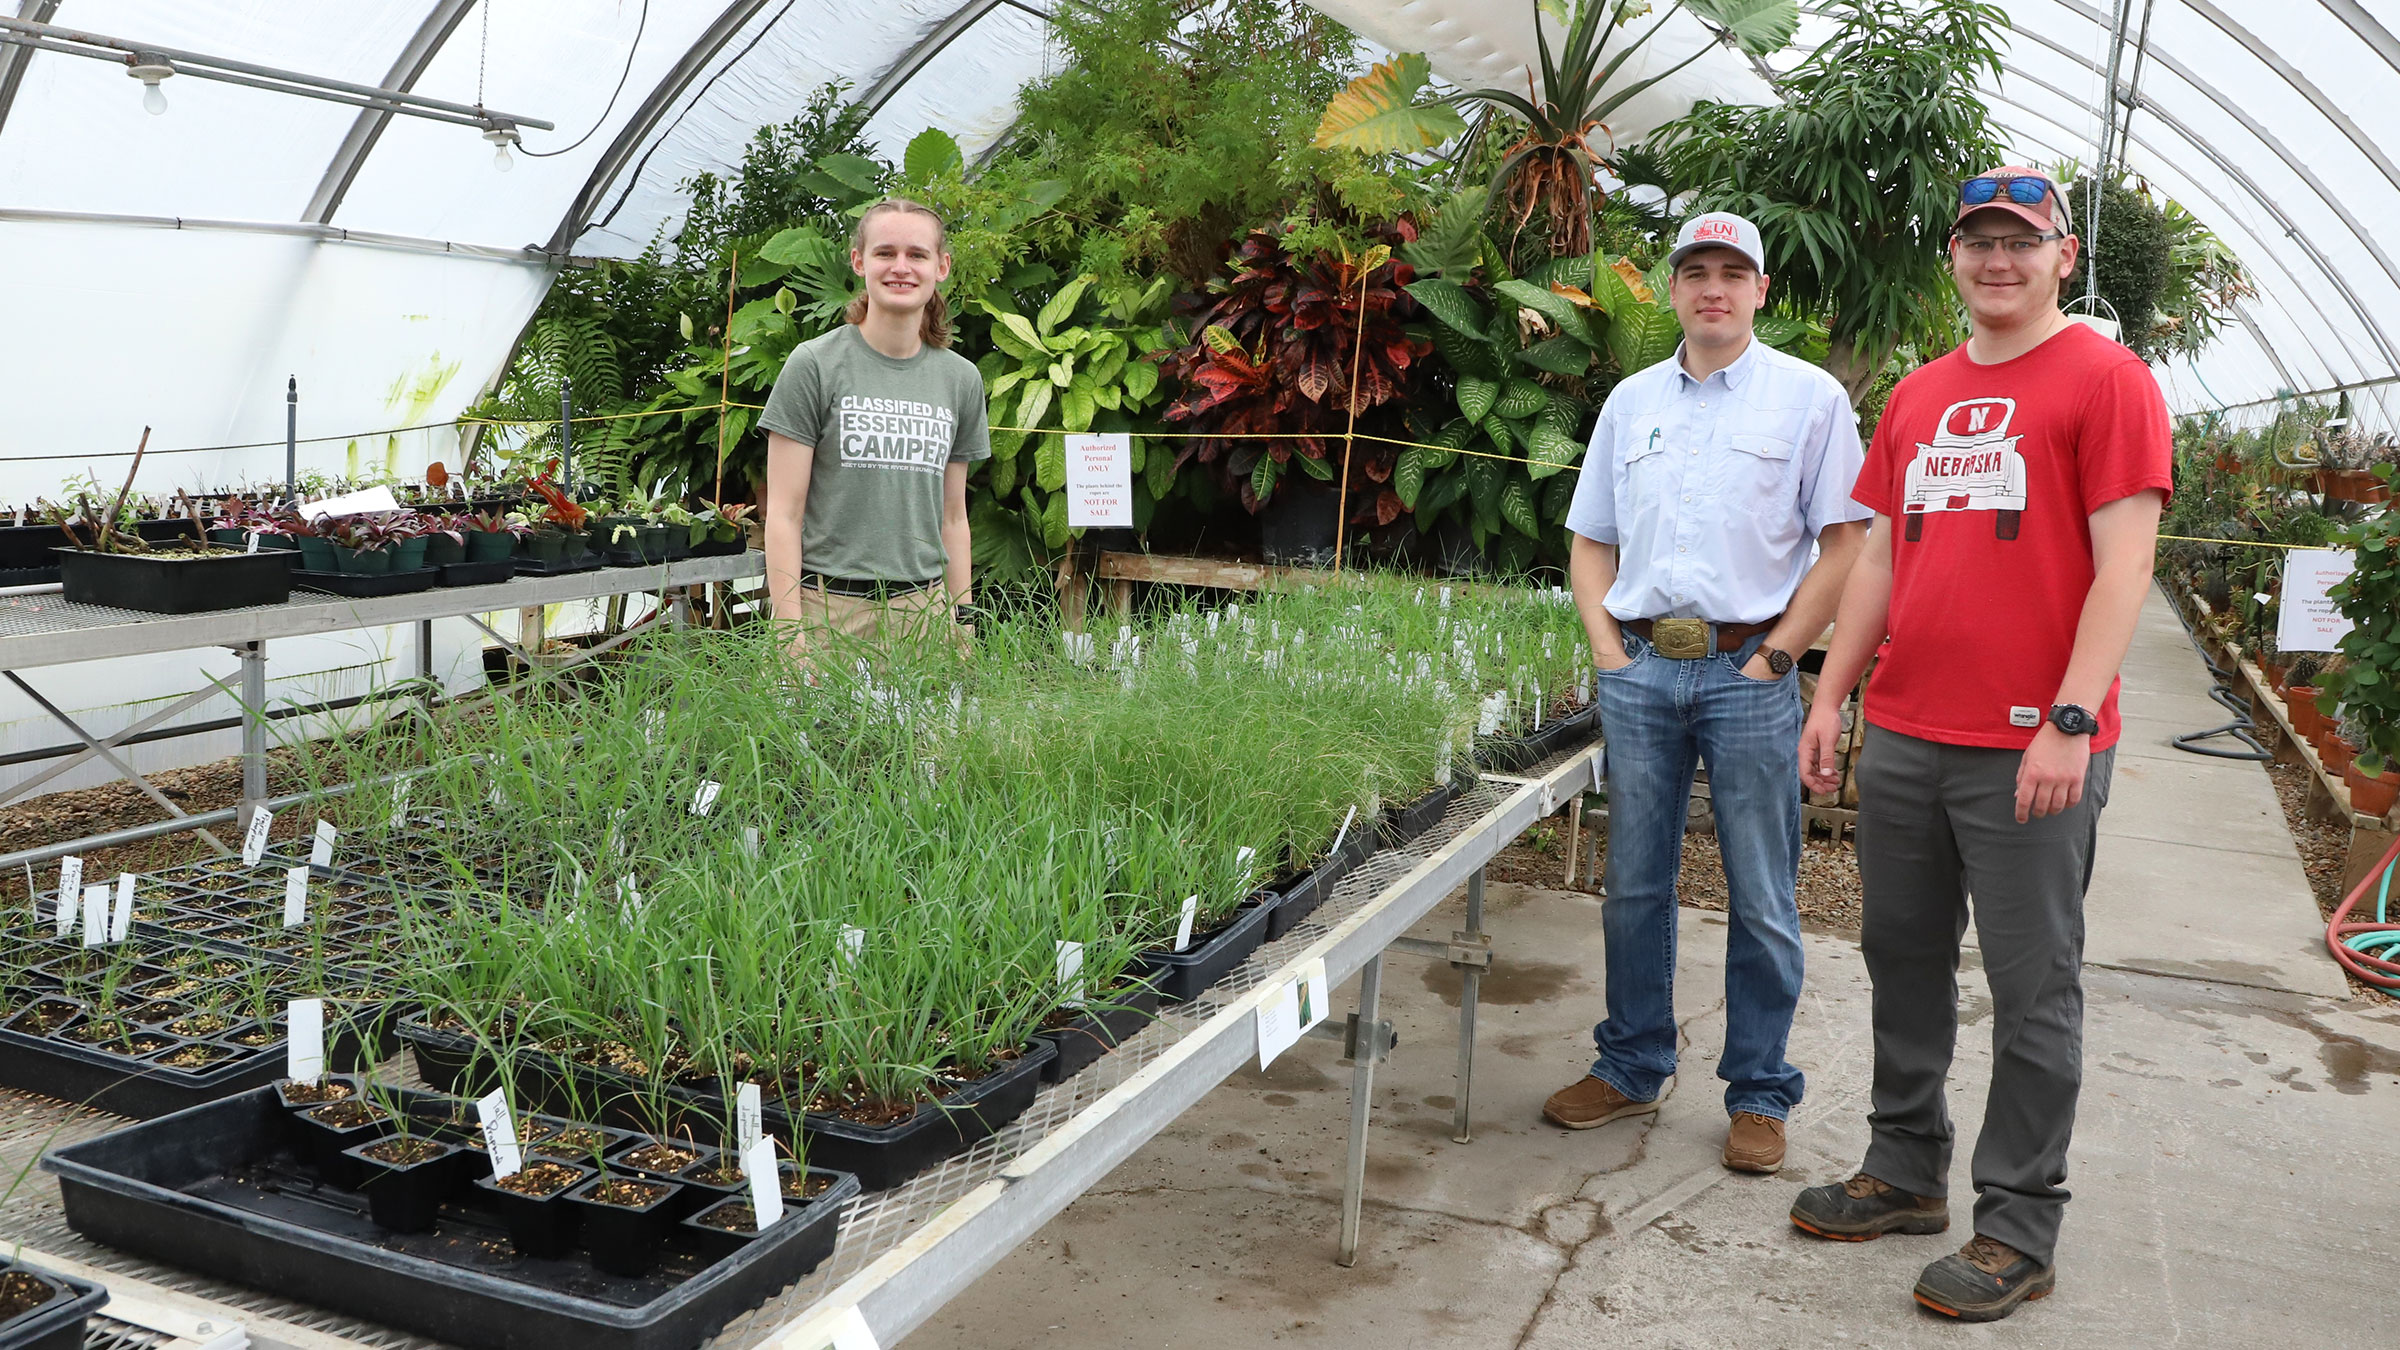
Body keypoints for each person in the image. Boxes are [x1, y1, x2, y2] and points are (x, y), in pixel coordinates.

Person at [1786, 168, 2171, 1324]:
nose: (1997, 260)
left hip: (2032, 749)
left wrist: (2068, 718)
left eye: (2022, 241)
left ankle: (2018, 1222)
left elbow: (2126, 565)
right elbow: (1885, 561)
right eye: (1977, 242)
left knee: (2030, 986)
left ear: (2062, 256)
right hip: (1907, 734)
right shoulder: (1920, 395)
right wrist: (1830, 696)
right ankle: (1905, 1171)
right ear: (1953, 258)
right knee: (1899, 957)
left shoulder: (2108, 382)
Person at [1545, 212, 1871, 1175]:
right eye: (1695, 271)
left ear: (1762, 290)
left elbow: (1845, 543)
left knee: (1763, 890)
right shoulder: (1629, 402)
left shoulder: (1807, 400)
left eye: (1734, 272)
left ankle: (1761, 1092)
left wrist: (1777, 660)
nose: (1713, 288)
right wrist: (1608, 649)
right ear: (1674, 287)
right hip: (1642, 671)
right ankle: (1631, 1064)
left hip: (1746, 675)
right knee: (1633, 883)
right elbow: (1592, 537)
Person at [761, 198, 985, 657]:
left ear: (940, 267)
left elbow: (954, 517)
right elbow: (783, 516)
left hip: (925, 615)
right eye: (886, 253)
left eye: (917, 255)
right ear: (860, 261)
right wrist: (791, 637)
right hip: (828, 613)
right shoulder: (815, 365)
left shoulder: (961, 379)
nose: (901, 267)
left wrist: (962, 622)